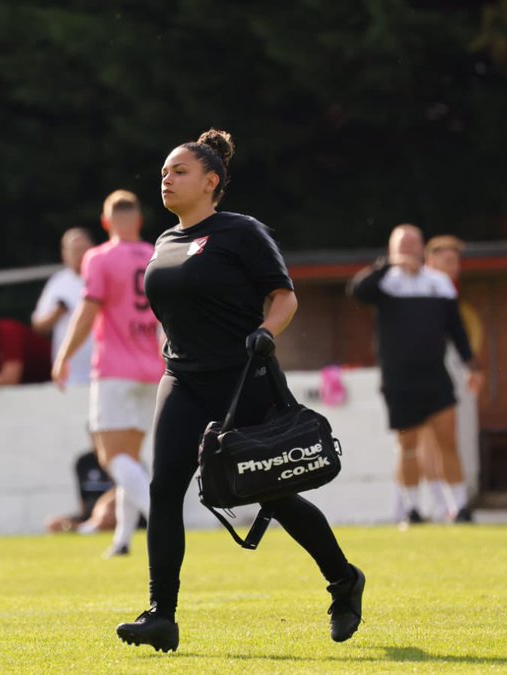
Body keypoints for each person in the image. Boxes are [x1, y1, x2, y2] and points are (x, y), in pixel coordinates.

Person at [117, 129, 364, 652]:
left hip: (241, 379)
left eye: (179, 171)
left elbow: (283, 297)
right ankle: (162, 612)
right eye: (164, 171)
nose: (166, 177)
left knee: (268, 491)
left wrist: (266, 332)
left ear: (211, 182)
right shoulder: (164, 243)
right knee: (164, 491)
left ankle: (344, 581)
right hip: (182, 379)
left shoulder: (242, 232)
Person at [51, 190, 163, 559]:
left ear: (105, 222)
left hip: (115, 370)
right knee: (129, 455)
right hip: (154, 367)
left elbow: (86, 312)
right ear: (140, 221)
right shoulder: (156, 255)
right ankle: (123, 540)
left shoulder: (99, 258)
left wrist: (64, 355)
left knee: (110, 457)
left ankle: (161, 525)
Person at [348, 225, 482, 526]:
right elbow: (357, 291)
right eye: (402, 246)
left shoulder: (438, 284)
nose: (409, 251)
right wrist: (389, 265)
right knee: (408, 446)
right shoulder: (386, 283)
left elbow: (456, 330)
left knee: (447, 440)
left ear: (422, 248)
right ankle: (411, 508)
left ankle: (459, 507)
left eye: (413, 245)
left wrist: (472, 365)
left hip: (435, 376)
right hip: (398, 379)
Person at [420, 234, 486, 522]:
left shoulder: (447, 291)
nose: (454, 266)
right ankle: (438, 503)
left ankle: (449, 504)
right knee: (424, 440)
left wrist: (471, 366)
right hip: (421, 374)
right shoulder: (416, 289)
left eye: (456, 260)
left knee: (441, 439)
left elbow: (458, 335)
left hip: (444, 372)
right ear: (430, 260)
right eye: (447, 260)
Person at [33, 228, 95, 388]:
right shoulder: (58, 283)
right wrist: (57, 312)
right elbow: (38, 325)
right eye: (74, 250)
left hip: (104, 373)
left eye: (83, 249)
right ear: (64, 254)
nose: (79, 255)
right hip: (70, 376)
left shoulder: (105, 277)